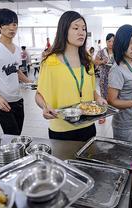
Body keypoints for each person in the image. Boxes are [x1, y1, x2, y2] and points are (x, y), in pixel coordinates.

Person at [35, 11, 106, 141]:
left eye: (84, 29)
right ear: (64, 30)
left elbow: (91, 90)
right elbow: (39, 94)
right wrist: (45, 107)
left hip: (87, 124)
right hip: (61, 128)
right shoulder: (50, 61)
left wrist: (98, 98)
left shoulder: (87, 60)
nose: (81, 32)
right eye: (75, 28)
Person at [0, 8, 32, 135]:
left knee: (17, 135)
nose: (11, 28)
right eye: (7, 24)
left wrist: (31, 82)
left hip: (18, 100)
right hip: (2, 102)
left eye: (14, 24)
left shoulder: (17, 49)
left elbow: (16, 70)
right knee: (12, 134)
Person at [107, 24, 132, 143]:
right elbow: (111, 101)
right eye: (129, 43)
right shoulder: (117, 69)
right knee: (124, 159)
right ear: (121, 44)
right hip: (124, 125)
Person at [94, 33, 115, 124]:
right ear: (106, 42)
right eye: (109, 41)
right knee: (103, 97)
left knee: (114, 96)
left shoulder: (118, 52)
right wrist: (102, 61)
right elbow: (95, 61)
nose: (111, 43)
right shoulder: (102, 52)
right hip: (104, 78)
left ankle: (115, 114)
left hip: (115, 78)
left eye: (113, 41)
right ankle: (102, 116)